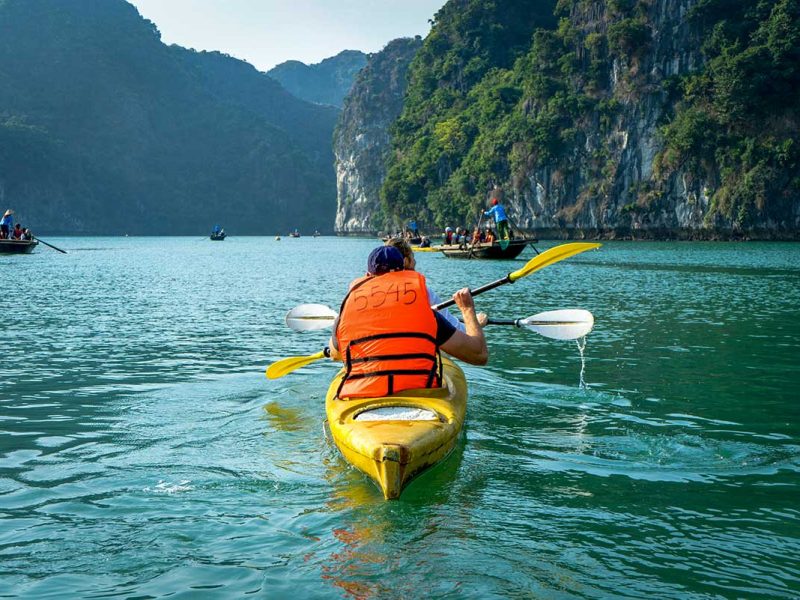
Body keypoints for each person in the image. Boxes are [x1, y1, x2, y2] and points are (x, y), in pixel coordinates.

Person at [328, 246, 488, 399]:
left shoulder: (346, 313)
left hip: (361, 397)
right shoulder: (427, 315)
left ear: (367, 275)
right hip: (419, 394)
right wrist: (467, 309)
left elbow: (336, 354)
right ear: (403, 272)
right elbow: (479, 355)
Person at [385, 237, 488, 332]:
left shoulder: (373, 292)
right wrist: (472, 317)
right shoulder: (423, 293)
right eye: (413, 256)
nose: (415, 262)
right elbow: (461, 334)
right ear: (406, 261)